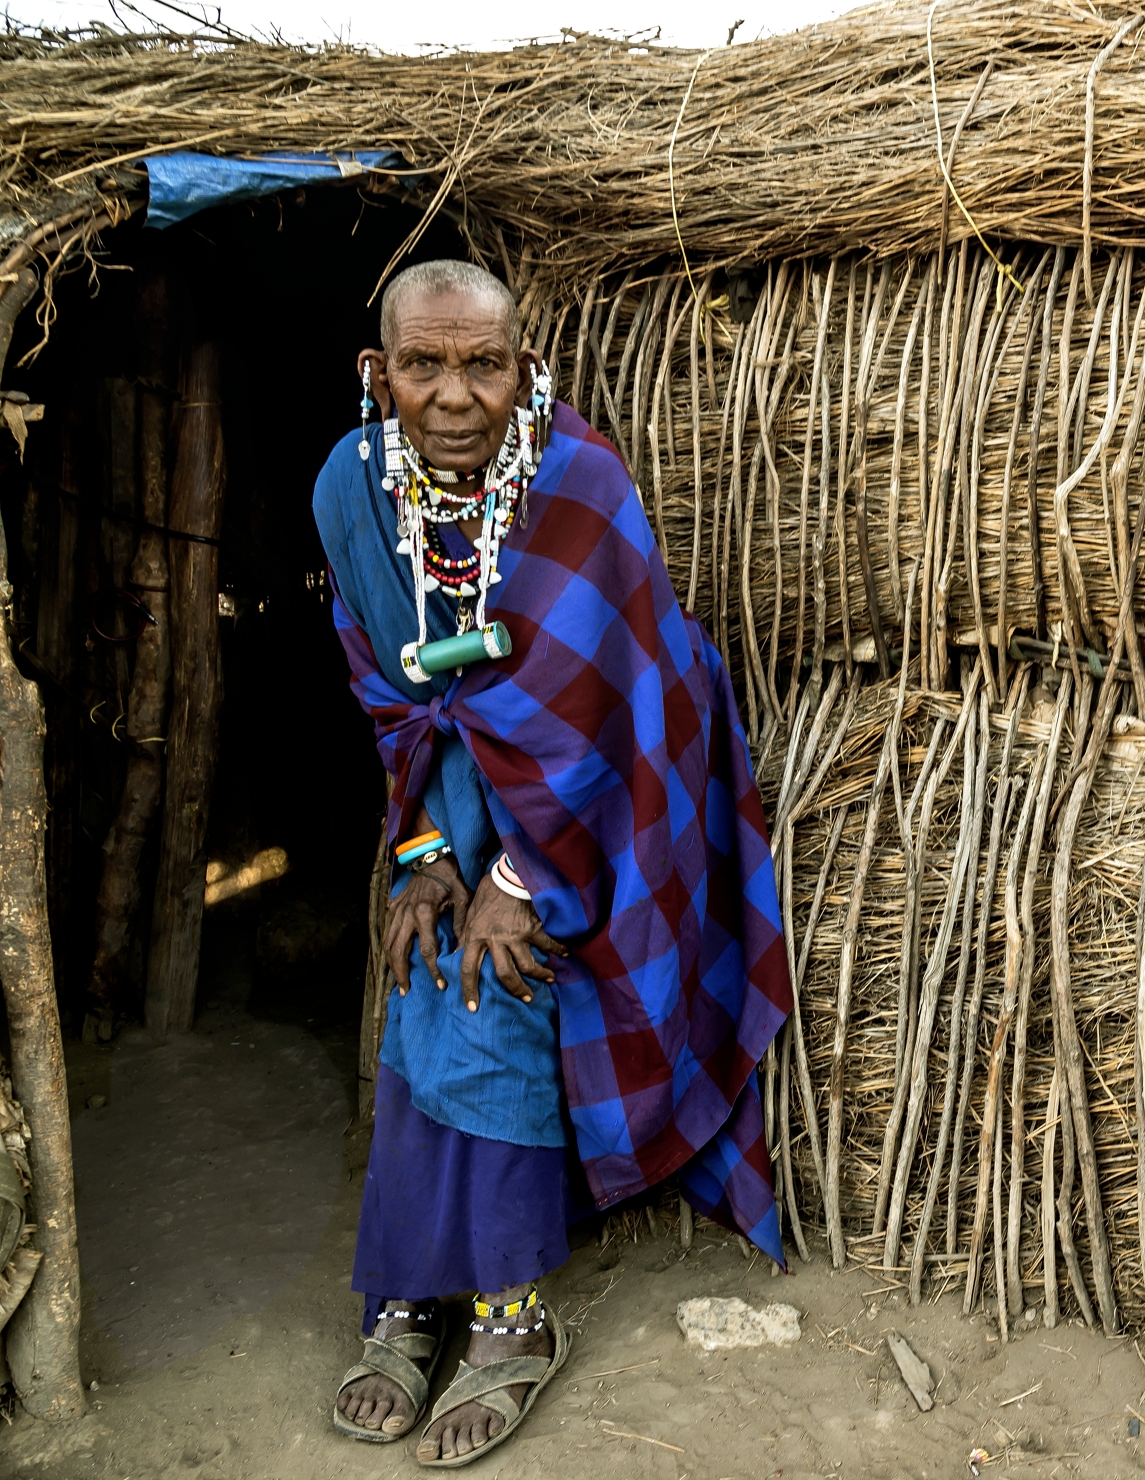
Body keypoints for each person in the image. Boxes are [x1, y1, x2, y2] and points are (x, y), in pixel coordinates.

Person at [312, 259, 791, 1466]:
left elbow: (613, 705)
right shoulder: (351, 486)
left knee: (496, 985)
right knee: (425, 963)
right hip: (442, 798)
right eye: (422, 365)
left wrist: (519, 876)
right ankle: (413, 1290)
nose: (453, 395)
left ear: (526, 371)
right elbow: (388, 695)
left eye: (482, 364)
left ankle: (510, 1312)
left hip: (607, 806)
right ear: (377, 371)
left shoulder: (577, 484)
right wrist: (430, 855)